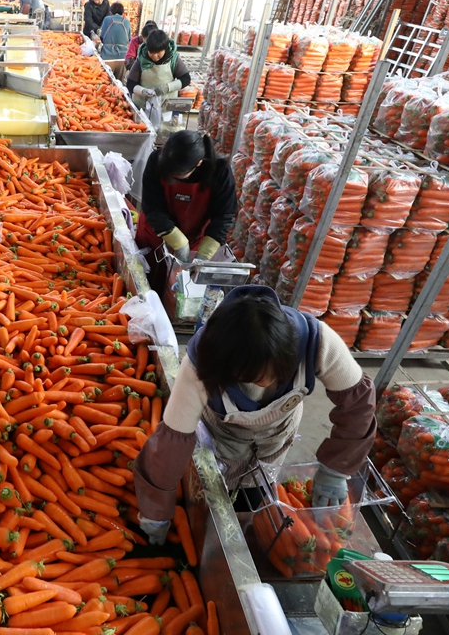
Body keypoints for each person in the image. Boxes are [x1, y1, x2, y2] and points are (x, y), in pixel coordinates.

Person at [132, 284, 376, 540]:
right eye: (250, 377)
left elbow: (358, 404)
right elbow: (170, 443)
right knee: (216, 491)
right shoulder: (199, 366)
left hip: (277, 432)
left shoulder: (317, 342)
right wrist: (156, 512)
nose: (263, 385)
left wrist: (336, 469)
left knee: (257, 496)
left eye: (272, 376)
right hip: (223, 434)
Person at [134, 130, 237, 292]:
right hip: (155, 235)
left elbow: (224, 217)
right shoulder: (156, 159)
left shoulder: (220, 172)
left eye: (177, 175)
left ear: (198, 164)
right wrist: (179, 243)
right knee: (146, 283)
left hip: (195, 239)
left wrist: (202, 257)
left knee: (179, 290)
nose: (171, 177)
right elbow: (152, 206)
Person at [126, 28, 190, 110]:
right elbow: (130, 83)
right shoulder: (142, 59)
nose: (155, 56)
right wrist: (143, 91)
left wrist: (168, 87)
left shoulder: (173, 59)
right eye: (151, 52)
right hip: (143, 106)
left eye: (158, 52)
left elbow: (186, 79)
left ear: (165, 49)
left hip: (165, 105)